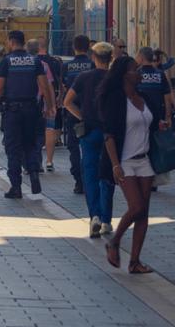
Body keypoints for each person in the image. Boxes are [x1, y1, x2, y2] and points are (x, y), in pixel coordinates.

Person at [98, 55, 165, 274]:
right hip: (124, 161)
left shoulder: (144, 97)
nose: (140, 74)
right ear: (125, 75)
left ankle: (135, 261)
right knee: (135, 207)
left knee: (143, 213)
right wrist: (115, 165)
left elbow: (152, 123)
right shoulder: (115, 99)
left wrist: (160, 124)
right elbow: (109, 135)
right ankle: (115, 241)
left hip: (144, 159)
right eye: (136, 70)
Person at [0, 30, 56, 199]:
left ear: (11, 42)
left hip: (13, 111)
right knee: (30, 145)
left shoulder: (6, 62)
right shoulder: (34, 61)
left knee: (13, 149)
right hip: (32, 109)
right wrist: (49, 106)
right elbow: (44, 85)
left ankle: (16, 187)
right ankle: (33, 173)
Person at [63, 41, 115, 237]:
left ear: (93, 57)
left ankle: (94, 215)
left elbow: (67, 102)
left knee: (91, 175)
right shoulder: (114, 79)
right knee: (108, 174)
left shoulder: (83, 78)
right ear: (111, 58)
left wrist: (82, 116)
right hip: (109, 132)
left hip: (89, 132)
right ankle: (107, 219)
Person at [61, 35, 95, 195]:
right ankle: (89, 179)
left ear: (74, 47)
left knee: (74, 148)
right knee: (91, 147)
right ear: (88, 47)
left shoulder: (67, 66)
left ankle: (78, 182)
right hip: (92, 113)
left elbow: (63, 90)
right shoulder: (93, 64)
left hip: (73, 112)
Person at [30, 40, 64, 173]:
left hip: (31, 103)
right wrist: (53, 103)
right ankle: (49, 161)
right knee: (49, 129)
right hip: (46, 100)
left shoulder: (27, 63)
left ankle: (33, 161)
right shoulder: (50, 63)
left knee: (32, 132)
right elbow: (51, 84)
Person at [135, 47, 175, 132]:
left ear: (141, 57)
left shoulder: (136, 74)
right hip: (158, 116)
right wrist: (168, 117)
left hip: (140, 117)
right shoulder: (160, 74)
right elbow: (167, 97)